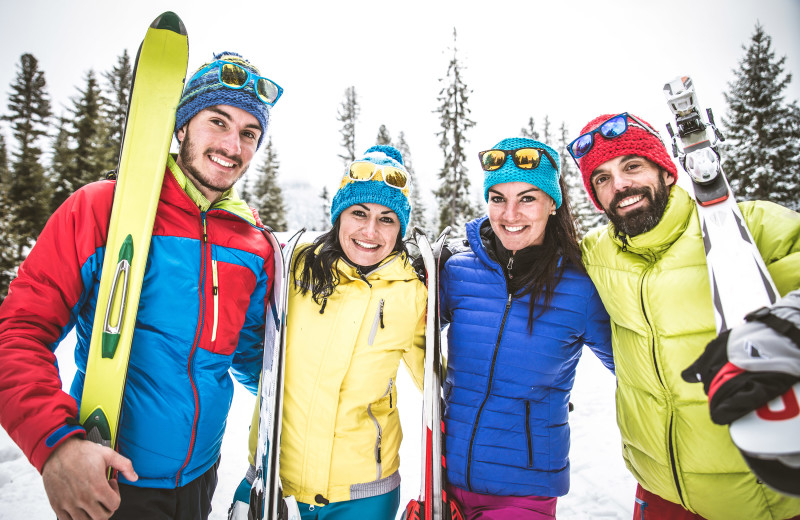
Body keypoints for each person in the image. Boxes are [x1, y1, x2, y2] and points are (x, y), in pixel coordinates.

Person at [0, 51, 282, 520]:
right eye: (218, 121)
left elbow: (254, 355)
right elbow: (18, 332)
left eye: (249, 133)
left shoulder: (253, 241)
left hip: (199, 477)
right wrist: (55, 445)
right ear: (182, 125)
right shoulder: (102, 208)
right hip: (111, 478)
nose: (233, 145)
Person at [571, 112, 800, 519]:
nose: (619, 185)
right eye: (601, 178)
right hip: (660, 487)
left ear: (667, 172)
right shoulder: (596, 254)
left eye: (631, 166)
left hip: (761, 491)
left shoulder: (746, 226)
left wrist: (787, 326)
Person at [229, 145, 426, 520]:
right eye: (359, 213)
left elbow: (440, 383)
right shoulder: (294, 268)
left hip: (363, 494)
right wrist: (272, 391)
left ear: (400, 227)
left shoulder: (413, 292)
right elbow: (247, 341)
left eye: (387, 219)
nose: (370, 231)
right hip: (273, 481)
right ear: (339, 216)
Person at [439, 137, 615, 519]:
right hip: (446, 476)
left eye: (528, 198)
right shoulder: (457, 272)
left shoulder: (580, 288)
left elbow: (636, 368)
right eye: (498, 198)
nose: (510, 214)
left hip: (526, 488)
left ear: (553, 204)